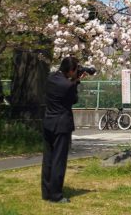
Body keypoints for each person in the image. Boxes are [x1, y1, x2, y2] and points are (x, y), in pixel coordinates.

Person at [41, 56, 82, 203]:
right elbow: (73, 100)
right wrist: (76, 83)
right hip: (61, 125)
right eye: (76, 69)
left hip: (48, 122)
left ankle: (46, 193)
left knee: (48, 159)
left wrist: (73, 80)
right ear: (71, 70)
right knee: (59, 160)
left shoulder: (50, 78)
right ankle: (56, 196)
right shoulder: (68, 86)